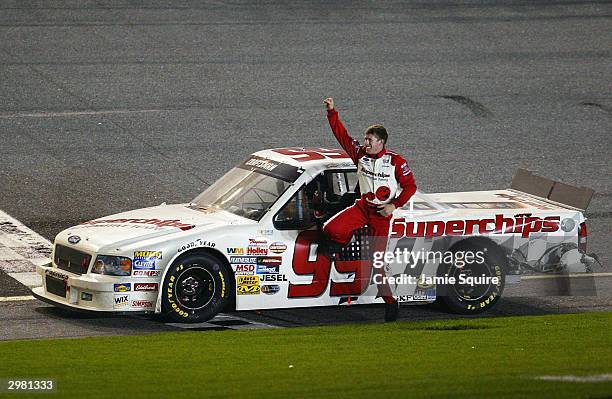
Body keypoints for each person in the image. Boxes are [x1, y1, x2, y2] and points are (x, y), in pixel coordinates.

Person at [322, 97, 417, 322]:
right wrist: (332, 112)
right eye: (365, 139)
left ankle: (391, 304)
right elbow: (342, 136)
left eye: (370, 140)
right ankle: (342, 243)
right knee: (331, 229)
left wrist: (394, 205)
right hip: (363, 207)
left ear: (382, 142)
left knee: (377, 267)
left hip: (381, 216)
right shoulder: (360, 154)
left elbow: (411, 186)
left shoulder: (396, 161)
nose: (366, 142)